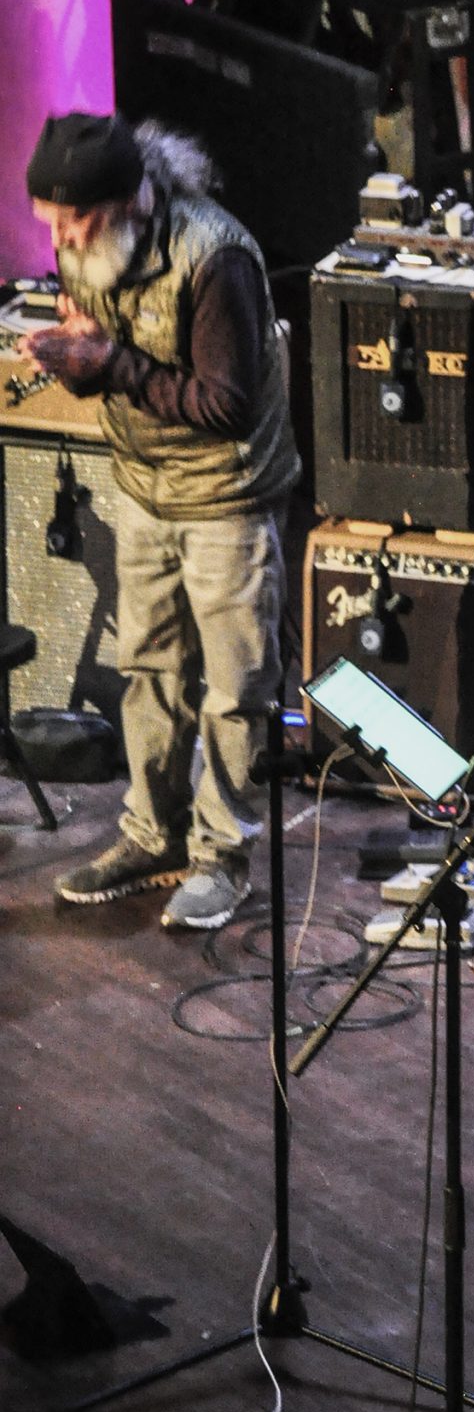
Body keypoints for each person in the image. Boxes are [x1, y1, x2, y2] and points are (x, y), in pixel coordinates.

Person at [24, 112, 298, 931]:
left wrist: (110, 364)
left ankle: (223, 857)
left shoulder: (215, 258)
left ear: (133, 198)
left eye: (77, 220)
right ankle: (153, 833)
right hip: (144, 487)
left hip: (227, 497)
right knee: (148, 670)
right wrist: (76, 361)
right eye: (51, 223)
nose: (63, 239)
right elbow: (105, 361)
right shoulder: (85, 247)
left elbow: (225, 405)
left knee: (235, 689)